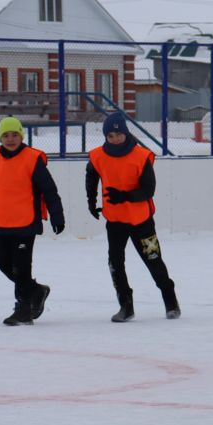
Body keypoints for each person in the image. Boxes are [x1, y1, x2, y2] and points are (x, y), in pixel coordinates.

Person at [85, 111, 181, 322]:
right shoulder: (97, 156)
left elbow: (149, 190)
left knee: (153, 260)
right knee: (115, 263)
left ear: (126, 133)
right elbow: (91, 177)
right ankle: (126, 305)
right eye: (110, 135)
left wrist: (125, 196)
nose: (115, 139)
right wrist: (91, 202)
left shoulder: (141, 156)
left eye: (118, 134)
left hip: (142, 222)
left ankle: (170, 300)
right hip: (115, 222)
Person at [0, 116, 65, 326]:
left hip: (25, 223)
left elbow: (49, 190)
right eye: (6, 135)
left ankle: (23, 310)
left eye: (15, 135)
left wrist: (57, 215)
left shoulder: (32, 158)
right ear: (0, 137)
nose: (10, 139)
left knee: (21, 267)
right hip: (2, 221)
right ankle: (36, 290)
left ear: (21, 135)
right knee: (3, 262)